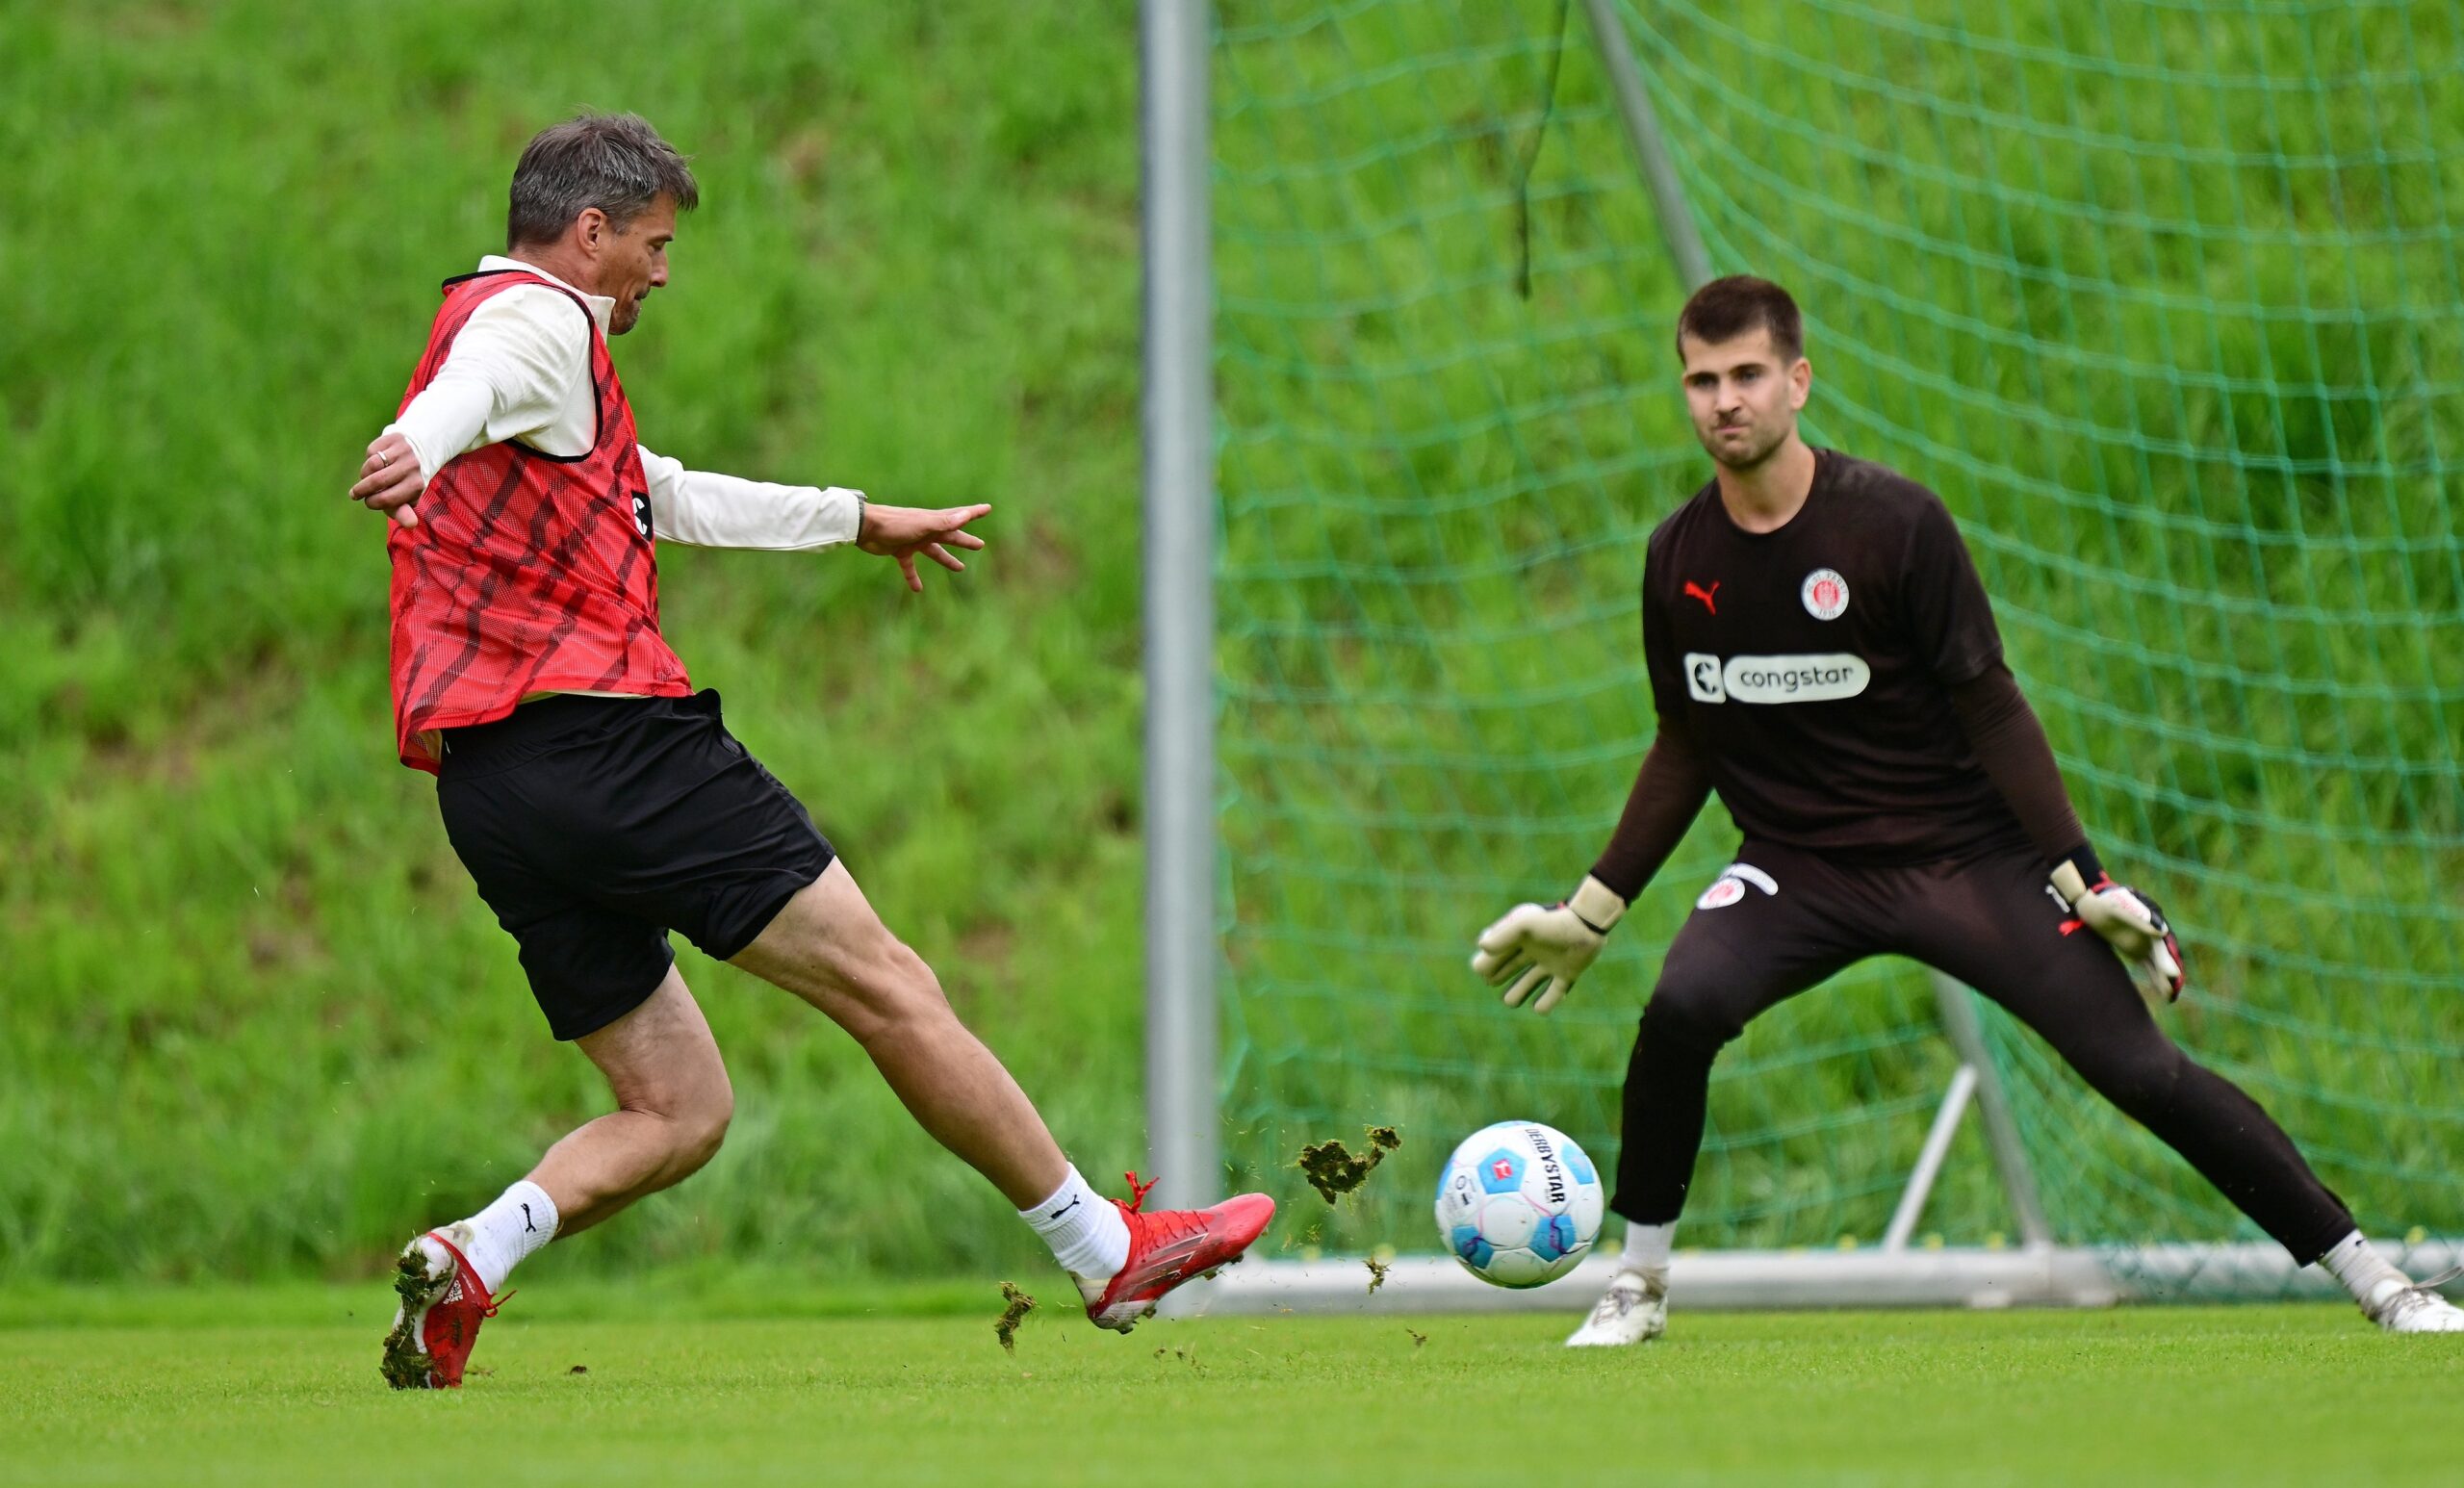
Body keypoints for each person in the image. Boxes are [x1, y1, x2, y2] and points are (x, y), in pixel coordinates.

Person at [349, 113, 1270, 1390]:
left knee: (679, 1107)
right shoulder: (537, 322)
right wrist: (423, 440)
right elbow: (484, 382)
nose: (661, 274)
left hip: (493, 788)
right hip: (613, 742)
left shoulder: (507, 344)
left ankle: (470, 1258)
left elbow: (653, 489)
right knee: (887, 982)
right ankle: (1103, 1247)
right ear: (592, 231)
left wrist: (854, 520)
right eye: (654, 246)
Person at [1469, 275, 2462, 1345]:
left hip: (1961, 856)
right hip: (1797, 866)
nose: (1725, 399)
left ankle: (2379, 1281)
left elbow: (1990, 703)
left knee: (2136, 1069)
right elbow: (1685, 742)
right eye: (1701, 380)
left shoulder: (1894, 525)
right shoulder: (1677, 559)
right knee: (1681, 1009)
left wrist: (2085, 877)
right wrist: (1589, 912)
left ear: (1796, 381)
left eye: (1747, 373)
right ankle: (1639, 1286)